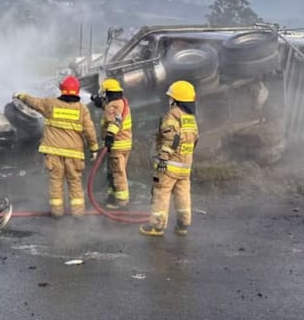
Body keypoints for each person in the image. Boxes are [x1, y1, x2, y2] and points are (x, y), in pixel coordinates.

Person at [14, 75, 99, 217]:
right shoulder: (82, 109)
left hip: (53, 153)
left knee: (56, 182)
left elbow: (34, 102)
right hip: (74, 154)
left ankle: (57, 212)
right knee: (75, 183)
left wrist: (21, 95)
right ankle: (78, 214)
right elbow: (89, 131)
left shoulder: (50, 104)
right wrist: (94, 149)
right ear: (77, 91)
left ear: (62, 90)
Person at [140, 80, 199, 237]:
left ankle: (156, 226)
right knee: (183, 194)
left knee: (161, 192)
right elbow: (195, 139)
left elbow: (171, 138)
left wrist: (163, 159)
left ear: (176, 100)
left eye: (171, 97)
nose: (169, 100)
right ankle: (182, 225)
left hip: (169, 165)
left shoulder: (172, 115)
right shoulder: (190, 118)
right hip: (185, 166)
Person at [90, 78, 133, 209]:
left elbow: (115, 122)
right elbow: (114, 113)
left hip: (117, 145)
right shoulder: (119, 102)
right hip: (124, 144)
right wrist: (100, 104)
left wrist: (109, 136)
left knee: (117, 173)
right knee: (113, 172)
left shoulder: (113, 106)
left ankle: (121, 202)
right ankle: (112, 197)